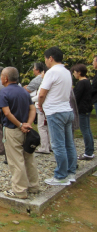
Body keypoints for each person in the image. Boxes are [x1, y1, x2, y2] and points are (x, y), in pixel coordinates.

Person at [0, 67, 39, 199]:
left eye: (1, 76)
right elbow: (33, 109)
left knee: (16, 160)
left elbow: (7, 112)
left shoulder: (4, 92)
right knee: (29, 157)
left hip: (13, 130)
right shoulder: (24, 91)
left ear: (5, 78)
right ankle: (33, 186)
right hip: (27, 130)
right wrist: (28, 124)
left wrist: (20, 125)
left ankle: (19, 190)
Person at [38, 47, 77, 186]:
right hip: (67, 110)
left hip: (55, 111)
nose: (45, 61)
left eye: (45, 58)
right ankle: (71, 172)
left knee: (58, 145)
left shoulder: (51, 72)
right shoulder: (67, 72)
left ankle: (61, 176)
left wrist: (40, 105)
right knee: (69, 143)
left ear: (50, 58)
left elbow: (42, 93)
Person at [71, 64, 95, 160]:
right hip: (87, 108)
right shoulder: (87, 82)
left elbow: (76, 97)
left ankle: (88, 152)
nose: (74, 74)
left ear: (79, 72)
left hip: (82, 109)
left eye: (75, 72)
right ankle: (90, 150)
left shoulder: (81, 83)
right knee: (88, 130)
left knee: (85, 130)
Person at [31, 68, 51, 154]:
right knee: (47, 127)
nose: (41, 74)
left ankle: (44, 147)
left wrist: (30, 98)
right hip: (45, 106)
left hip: (41, 106)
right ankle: (49, 145)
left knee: (41, 127)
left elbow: (41, 95)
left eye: (42, 72)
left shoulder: (45, 83)